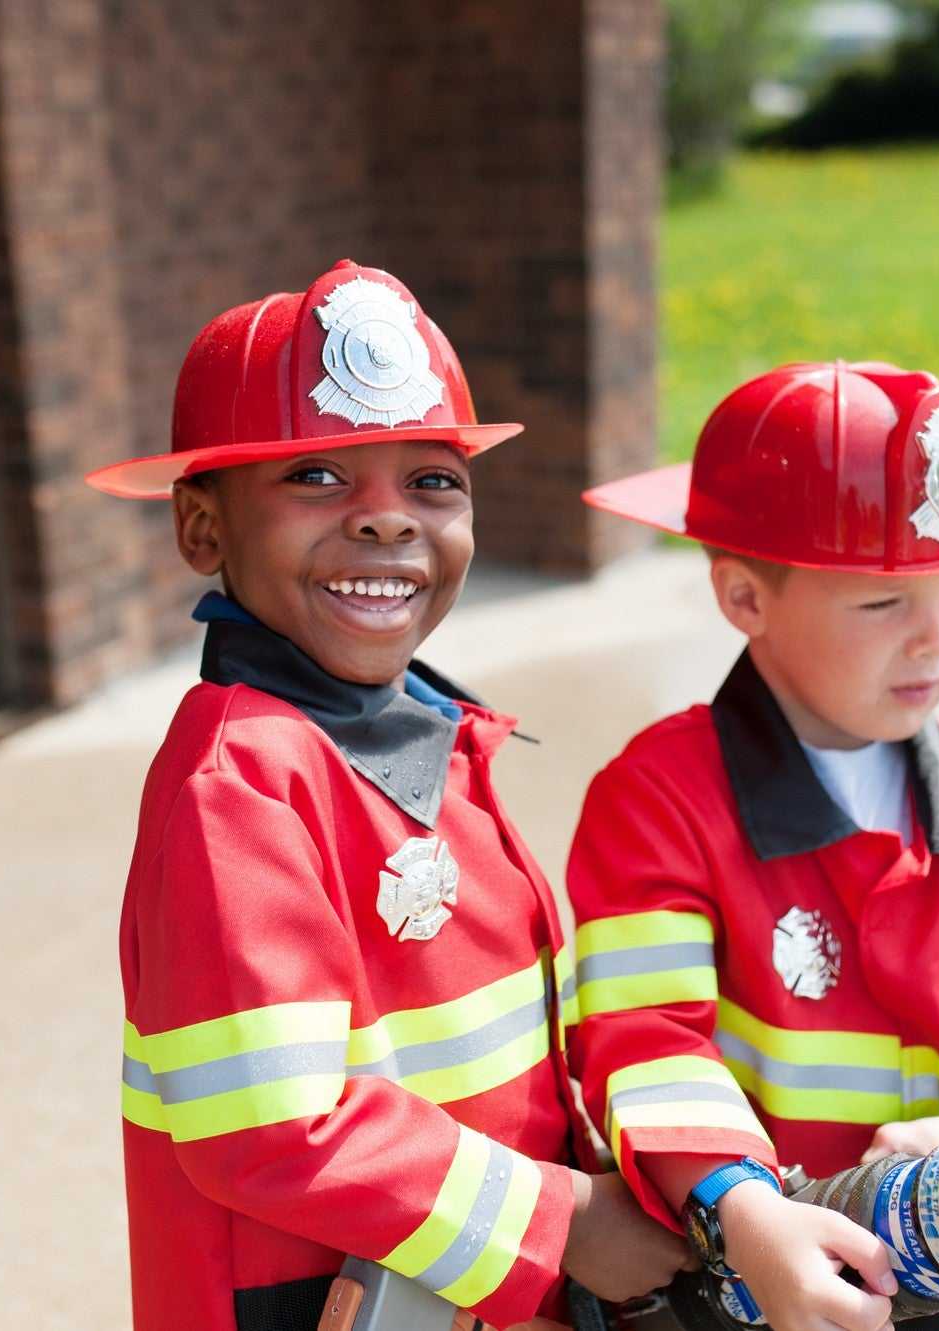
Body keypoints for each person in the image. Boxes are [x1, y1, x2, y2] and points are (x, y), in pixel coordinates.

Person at [86, 261, 690, 1331]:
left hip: (465, 1290)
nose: (384, 521)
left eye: (432, 480)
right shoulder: (241, 783)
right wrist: (562, 1222)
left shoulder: (422, 731)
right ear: (201, 528)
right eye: (315, 477)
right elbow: (274, 1126)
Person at [567, 362, 939, 1331]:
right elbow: (644, 1041)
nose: (933, 642)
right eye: (882, 606)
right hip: (766, 1283)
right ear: (744, 598)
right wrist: (746, 1211)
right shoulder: (658, 799)